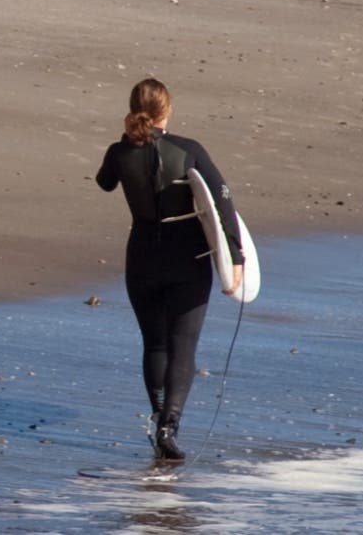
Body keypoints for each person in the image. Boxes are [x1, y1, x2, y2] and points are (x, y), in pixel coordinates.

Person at [95, 79, 244, 464]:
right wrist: (236, 259)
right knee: (183, 346)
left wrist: (128, 145)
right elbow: (223, 202)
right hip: (187, 259)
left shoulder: (118, 152)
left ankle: (158, 415)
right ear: (168, 109)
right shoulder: (188, 150)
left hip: (142, 257)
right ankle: (168, 426)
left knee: (155, 344)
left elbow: (104, 183)